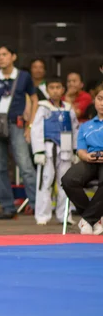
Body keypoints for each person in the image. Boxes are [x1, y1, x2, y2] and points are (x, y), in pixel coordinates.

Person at [0, 46, 37, 219]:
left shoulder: (23, 77)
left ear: (13, 57)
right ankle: (7, 207)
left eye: (4, 55)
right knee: (0, 168)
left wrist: (30, 126)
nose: (1, 58)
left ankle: (37, 205)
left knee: (25, 165)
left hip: (17, 124)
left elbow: (34, 100)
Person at [30, 76, 79, 225]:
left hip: (65, 149)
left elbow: (75, 129)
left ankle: (65, 215)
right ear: (47, 90)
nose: (55, 91)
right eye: (52, 88)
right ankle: (42, 215)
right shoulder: (43, 106)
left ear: (63, 90)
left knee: (65, 182)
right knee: (45, 181)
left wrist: (76, 149)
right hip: (48, 149)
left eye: (58, 87)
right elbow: (36, 129)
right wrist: (38, 151)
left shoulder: (68, 108)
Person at [61, 84, 103, 235]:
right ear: (94, 101)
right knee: (68, 180)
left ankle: (87, 220)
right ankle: (95, 218)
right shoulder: (86, 126)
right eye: (100, 99)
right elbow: (80, 149)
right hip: (90, 160)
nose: (102, 103)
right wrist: (86, 156)